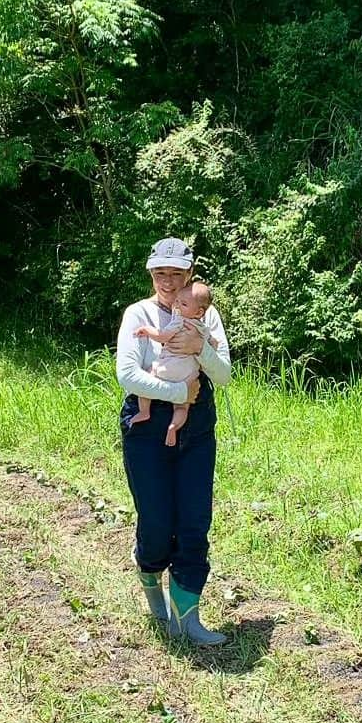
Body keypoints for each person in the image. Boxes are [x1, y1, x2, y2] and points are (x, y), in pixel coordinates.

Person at [116, 237, 231, 646]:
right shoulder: (138, 314)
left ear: (190, 274)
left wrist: (201, 348)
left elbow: (222, 376)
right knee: (157, 520)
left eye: (176, 273)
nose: (168, 280)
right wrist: (180, 394)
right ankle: (148, 571)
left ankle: (188, 618)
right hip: (149, 426)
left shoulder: (205, 313)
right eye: (160, 272)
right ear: (151, 273)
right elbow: (128, 376)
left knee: (195, 520)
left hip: (197, 425)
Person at [130, 281, 217, 447]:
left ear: (199, 311)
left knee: (149, 373)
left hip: (167, 369)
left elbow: (163, 336)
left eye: (183, 304)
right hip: (189, 375)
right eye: (177, 301)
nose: (177, 305)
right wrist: (212, 345)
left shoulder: (179, 321)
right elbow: (212, 344)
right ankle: (173, 426)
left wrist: (147, 330)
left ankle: (144, 411)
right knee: (182, 407)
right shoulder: (202, 327)